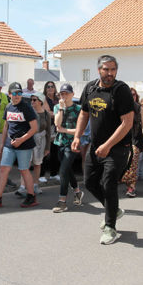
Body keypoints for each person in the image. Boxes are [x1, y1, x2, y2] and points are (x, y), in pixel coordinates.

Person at [71, 55, 134, 245]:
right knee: (90, 182)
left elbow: (127, 122)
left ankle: (110, 228)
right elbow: (84, 113)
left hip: (117, 148)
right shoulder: (90, 88)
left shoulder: (121, 90)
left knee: (108, 184)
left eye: (113, 69)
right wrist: (77, 136)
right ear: (99, 70)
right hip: (95, 145)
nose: (110, 73)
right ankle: (112, 210)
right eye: (106, 69)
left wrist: (108, 145)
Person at [0, 82, 38, 209]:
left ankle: (31, 196)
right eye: (14, 93)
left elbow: (34, 128)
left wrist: (21, 140)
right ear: (9, 94)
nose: (17, 95)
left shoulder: (26, 107)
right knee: (3, 169)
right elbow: (6, 126)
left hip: (24, 145)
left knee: (23, 170)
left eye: (19, 93)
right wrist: (2, 144)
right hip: (9, 145)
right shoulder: (8, 107)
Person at [52, 83, 84, 212]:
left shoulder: (78, 109)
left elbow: (79, 130)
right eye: (62, 93)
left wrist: (64, 130)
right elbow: (56, 124)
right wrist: (61, 108)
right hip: (60, 143)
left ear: (72, 94)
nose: (64, 96)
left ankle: (62, 201)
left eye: (66, 93)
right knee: (67, 169)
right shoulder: (57, 107)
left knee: (63, 171)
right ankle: (77, 192)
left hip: (73, 144)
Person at [15, 92, 50, 197]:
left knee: (37, 164)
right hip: (29, 139)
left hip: (41, 140)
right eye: (32, 100)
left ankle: (36, 185)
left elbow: (48, 131)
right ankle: (22, 187)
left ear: (40, 101)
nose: (32, 102)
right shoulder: (29, 112)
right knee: (26, 163)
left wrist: (47, 147)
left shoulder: (46, 114)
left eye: (34, 100)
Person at [121, 87, 143, 197]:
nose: (132, 96)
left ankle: (131, 187)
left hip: (136, 139)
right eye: (130, 94)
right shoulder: (121, 107)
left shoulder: (139, 108)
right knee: (124, 163)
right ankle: (126, 181)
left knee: (133, 163)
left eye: (134, 95)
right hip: (122, 140)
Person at [42, 81, 60, 182]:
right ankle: (41, 175)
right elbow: (48, 113)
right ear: (45, 88)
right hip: (47, 128)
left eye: (52, 86)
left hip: (57, 128)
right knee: (45, 152)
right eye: (48, 86)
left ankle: (54, 174)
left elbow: (65, 107)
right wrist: (60, 113)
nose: (50, 88)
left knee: (54, 152)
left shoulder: (58, 99)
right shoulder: (44, 99)